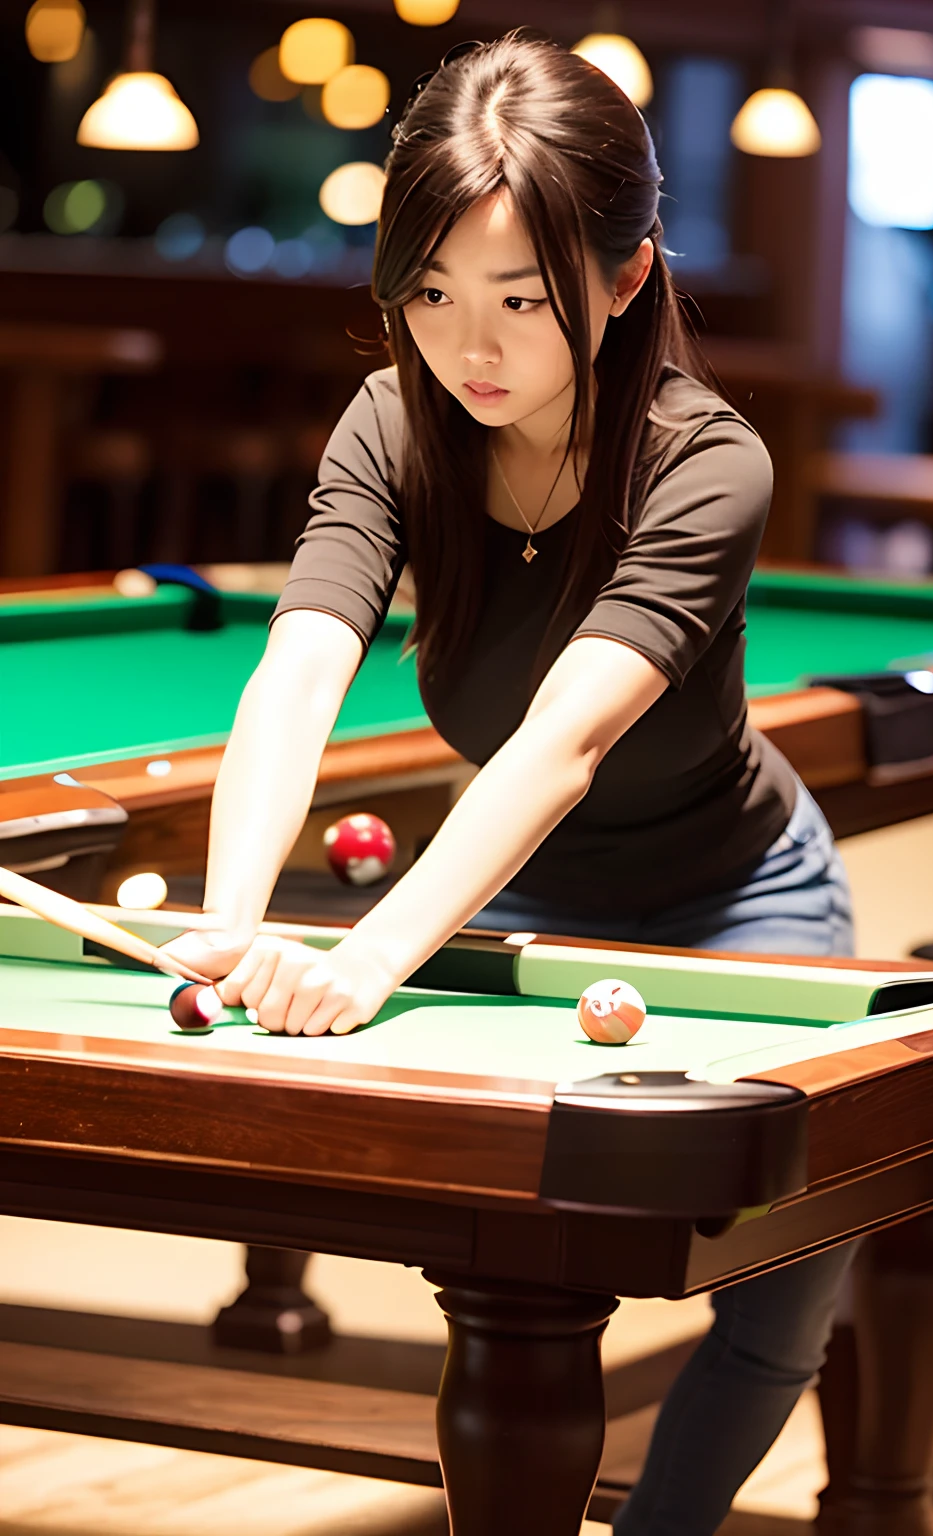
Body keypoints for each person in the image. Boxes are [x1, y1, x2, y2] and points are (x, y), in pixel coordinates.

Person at [164, 32, 855, 1535]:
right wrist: (228, 924)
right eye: (429, 295)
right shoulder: (393, 425)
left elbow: (561, 742)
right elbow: (297, 669)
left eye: (522, 301)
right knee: (525, 1272)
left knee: (782, 1298)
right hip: (533, 896)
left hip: (741, 894)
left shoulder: (703, 463)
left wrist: (365, 958)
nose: (467, 348)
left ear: (622, 279)